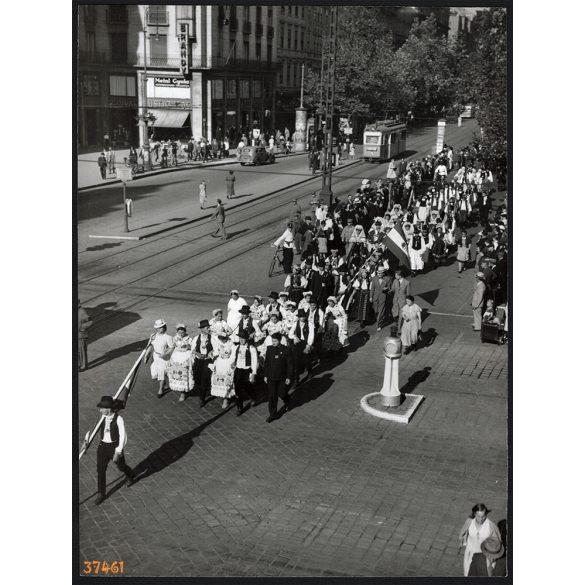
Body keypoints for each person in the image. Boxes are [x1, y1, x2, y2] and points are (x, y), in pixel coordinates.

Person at [86, 395, 135, 505]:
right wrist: (86, 441)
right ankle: (101, 493)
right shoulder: (102, 418)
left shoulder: (119, 419)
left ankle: (130, 475)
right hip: (103, 447)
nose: (100, 410)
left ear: (108, 409)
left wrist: (118, 451)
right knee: (100, 470)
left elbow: (123, 436)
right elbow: (93, 430)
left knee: (121, 466)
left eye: (102, 408)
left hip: (114, 447)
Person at [458, 503, 502, 576]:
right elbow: (463, 532)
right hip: (470, 553)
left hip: (484, 556)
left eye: (483, 516)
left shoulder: (491, 526)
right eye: (479, 516)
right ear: (475, 514)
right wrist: (462, 541)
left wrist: (492, 558)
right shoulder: (469, 521)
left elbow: (497, 542)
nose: (481, 519)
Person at [263, 332, 293, 423]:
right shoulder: (269, 349)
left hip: (282, 377)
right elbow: (267, 363)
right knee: (272, 396)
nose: (273, 343)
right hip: (271, 377)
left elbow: (290, 365)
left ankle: (287, 400)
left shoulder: (286, 349)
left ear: (279, 340)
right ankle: (273, 415)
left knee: (282, 393)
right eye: (272, 341)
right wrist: (265, 375)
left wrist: (288, 377)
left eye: (275, 341)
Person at [144, 319, 174, 396]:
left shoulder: (168, 337)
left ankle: (160, 390)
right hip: (155, 356)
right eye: (157, 328)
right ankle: (164, 381)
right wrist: (146, 355)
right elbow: (150, 346)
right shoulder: (153, 336)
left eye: (161, 327)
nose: (159, 329)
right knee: (154, 374)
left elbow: (171, 348)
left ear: (164, 327)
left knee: (161, 373)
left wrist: (164, 354)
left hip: (164, 357)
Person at [233, 331, 258, 416]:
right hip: (238, 370)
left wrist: (254, 373)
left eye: (243, 338)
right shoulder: (236, 348)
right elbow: (233, 358)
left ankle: (253, 396)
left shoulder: (251, 348)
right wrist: (232, 363)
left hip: (247, 370)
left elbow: (254, 361)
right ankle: (239, 407)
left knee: (247, 387)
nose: (241, 340)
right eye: (240, 338)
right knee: (237, 389)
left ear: (246, 339)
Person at [167, 324, 194, 402]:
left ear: (185, 332)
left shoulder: (189, 338)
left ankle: (184, 392)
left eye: (182, 332)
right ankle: (178, 387)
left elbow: (192, 347)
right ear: (177, 332)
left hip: (185, 356)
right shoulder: (175, 338)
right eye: (179, 332)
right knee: (176, 372)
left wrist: (188, 346)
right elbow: (172, 346)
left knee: (184, 373)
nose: (181, 334)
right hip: (177, 356)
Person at [210, 331, 236, 409]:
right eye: (221, 338)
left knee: (227, 380)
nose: (222, 340)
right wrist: (211, 354)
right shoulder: (218, 343)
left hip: (228, 362)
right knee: (219, 379)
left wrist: (232, 362)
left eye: (224, 338)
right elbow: (216, 351)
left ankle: (226, 399)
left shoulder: (231, 344)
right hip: (220, 362)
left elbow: (233, 355)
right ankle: (221, 394)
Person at [192, 319, 214, 407]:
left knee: (204, 378)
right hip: (198, 360)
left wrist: (210, 353)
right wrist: (197, 354)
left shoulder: (212, 338)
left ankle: (202, 398)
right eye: (206, 328)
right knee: (197, 378)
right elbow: (192, 350)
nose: (208, 329)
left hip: (207, 360)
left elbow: (216, 349)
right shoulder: (196, 338)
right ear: (201, 329)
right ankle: (203, 390)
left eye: (209, 327)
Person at [370, 266, 392, 332]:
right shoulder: (374, 278)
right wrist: (371, 297)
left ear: (383, 273)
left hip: (383, 297)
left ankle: (378, 325)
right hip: (375, 298)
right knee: (376, 311)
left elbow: (389, 288)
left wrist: (387, 289)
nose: (379, 274)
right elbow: (372, 289)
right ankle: (379, 319)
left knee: (380, 312)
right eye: (378, 273)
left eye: (381, 273)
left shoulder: (387, 279)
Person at [78, 299, 92, 371]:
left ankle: (83, 366)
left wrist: (81, 328)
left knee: (82, 350)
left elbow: (89, 322)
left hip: (81, 335)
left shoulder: (82, 311)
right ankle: (78, 364)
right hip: (77, 335)